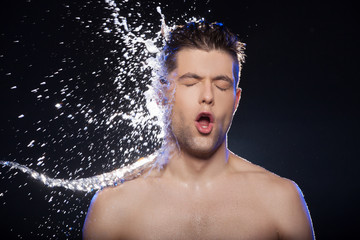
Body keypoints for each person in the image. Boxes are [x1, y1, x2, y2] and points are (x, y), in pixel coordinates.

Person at [83, 21, 315, 239]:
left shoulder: (281, 201)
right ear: (161, 95)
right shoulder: (114, 206)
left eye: (221, 85)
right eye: (191, 83)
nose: (207, 96)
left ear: (236, 100)